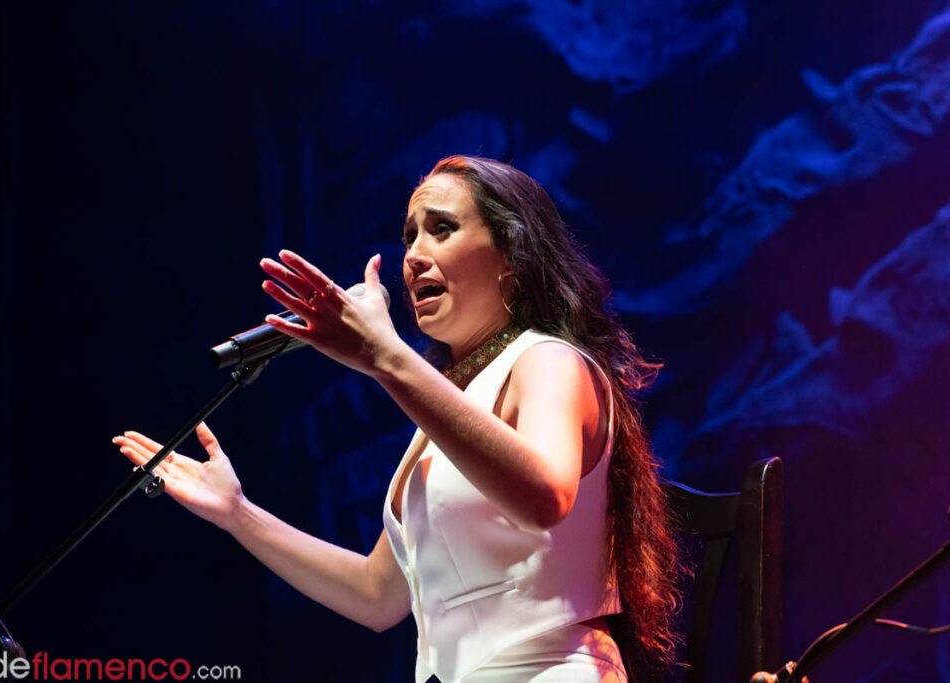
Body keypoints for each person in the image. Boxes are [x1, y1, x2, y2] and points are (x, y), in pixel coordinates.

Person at [114, 156, 682, 682]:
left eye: (441, 229)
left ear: (512, 255)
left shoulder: (550, 362)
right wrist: (238, 514)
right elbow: (377, 596)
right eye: (409, 235)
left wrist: (386, 358)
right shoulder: (449, 401)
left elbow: (544, 497)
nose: (413, 254)